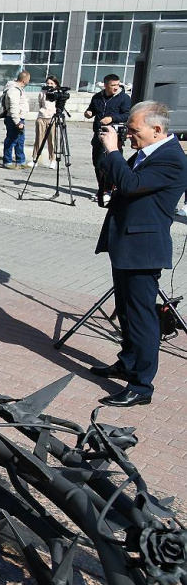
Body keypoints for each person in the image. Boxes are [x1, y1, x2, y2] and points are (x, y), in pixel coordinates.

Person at [91, 102, 187, 407]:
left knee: (142, 318)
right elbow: (119, 181)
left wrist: (115, 151)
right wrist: (107, 154)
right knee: (126, 312)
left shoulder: (171, 158)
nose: (129, 135)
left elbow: (131, 185)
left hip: (143, 249)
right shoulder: (149, 152)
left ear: (156, 130)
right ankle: (127, 362)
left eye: (134, 130)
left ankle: (142, 386)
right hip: (126, 244)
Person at [85, 73, 132, 204]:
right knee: (98, 163)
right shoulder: (97, 97)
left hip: (114, 136)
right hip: (98, 136)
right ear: (105, 85)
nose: (116, 87)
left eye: (117, 84)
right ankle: (101, 189)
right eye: (113, 85)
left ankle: (109, 190)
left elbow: (127, 115)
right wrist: (89, 113)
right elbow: (91, 110)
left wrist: (112, 118)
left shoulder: (124, 98)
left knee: (112, 163)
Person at [2, 70, 30, 169]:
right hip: (14, 118)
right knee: (11, 140)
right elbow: (14, 107)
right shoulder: (14, 90)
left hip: (20, 118)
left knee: (20, 141)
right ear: (24, 80)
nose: (28, 82)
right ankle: (7, 161)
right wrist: (17, 121)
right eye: (28, 80)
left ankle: (20, 161)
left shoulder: (19, 89)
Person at [32, 75, 61, 169]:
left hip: (52, 117)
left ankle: (52, 160)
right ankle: (35, 159)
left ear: (56, 84)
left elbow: (59, 106)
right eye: (48, 83)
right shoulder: (42, 92)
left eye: (52, 83)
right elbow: (41, 104)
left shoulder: (58, 93)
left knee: (52, 140)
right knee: (39, 139)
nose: (49, 85)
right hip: (42, 117)